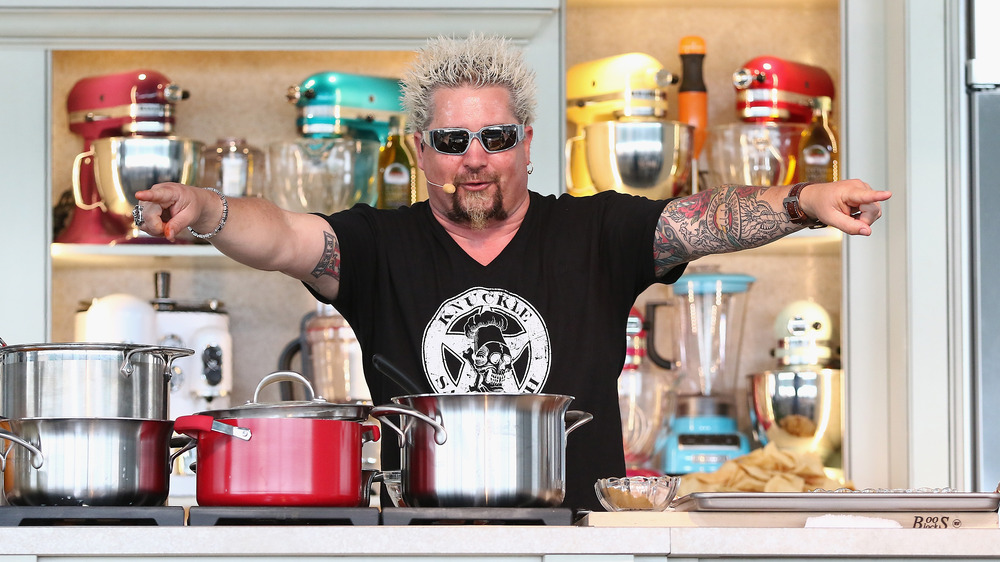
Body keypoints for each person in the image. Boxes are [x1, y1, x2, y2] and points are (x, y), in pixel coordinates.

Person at [134, 33, 891, 511]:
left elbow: (708, 216)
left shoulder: (597, 230)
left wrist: (802, 198)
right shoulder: (375, 246)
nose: (474, 157)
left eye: (495, 136)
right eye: (452, 139)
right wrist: (204, 207)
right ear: (419, 148)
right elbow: (279, 237)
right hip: (418, 536)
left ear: (526, 143)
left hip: (580, 534)